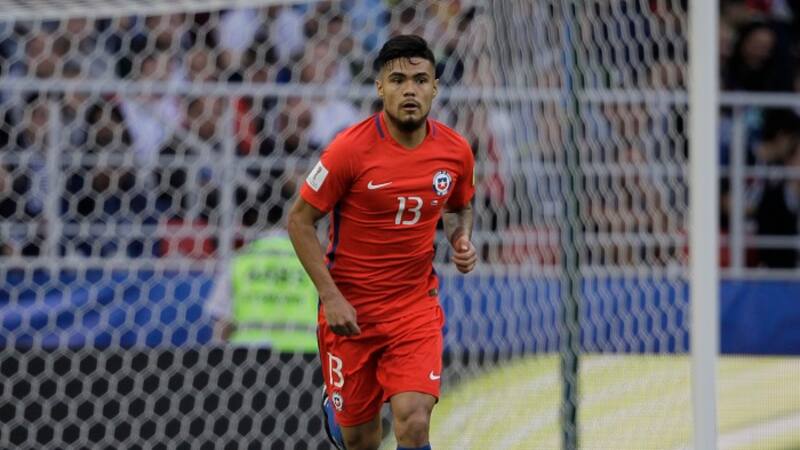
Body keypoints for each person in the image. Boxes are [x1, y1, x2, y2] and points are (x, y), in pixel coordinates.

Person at [287, 35, 476, 450]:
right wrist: (330, 296)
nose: (410, 90)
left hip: (414, 307)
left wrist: (461, 236)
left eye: (420, 80)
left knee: (414, 421)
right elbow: (299, 221)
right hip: (351, 311)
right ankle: (338, 413)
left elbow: (459, 206)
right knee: (360, 440)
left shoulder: (456, 151)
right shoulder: (348, 150)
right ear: (380, 87)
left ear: (435, 88)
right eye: (398, 80)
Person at [205, 232, 319, 350]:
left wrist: (217, 354)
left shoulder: (241, 259)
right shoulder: (313, 261)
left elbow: (222, 318)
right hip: (305, 349)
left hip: (248, 350)